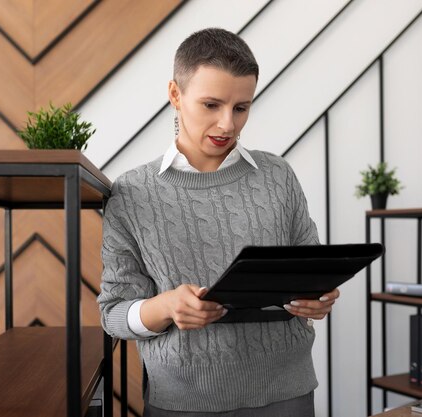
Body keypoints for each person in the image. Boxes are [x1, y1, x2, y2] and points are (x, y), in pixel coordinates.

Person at [98, 27, 340, 417]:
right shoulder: (131, 193)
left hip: (286, 391)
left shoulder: (278, 176)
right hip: (182, 401)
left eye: (241, 108)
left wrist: (320, 299)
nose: (228, 124)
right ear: (175, 94)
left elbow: (312, 274)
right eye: (211, 105)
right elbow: (113, 314)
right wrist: (165, 306)